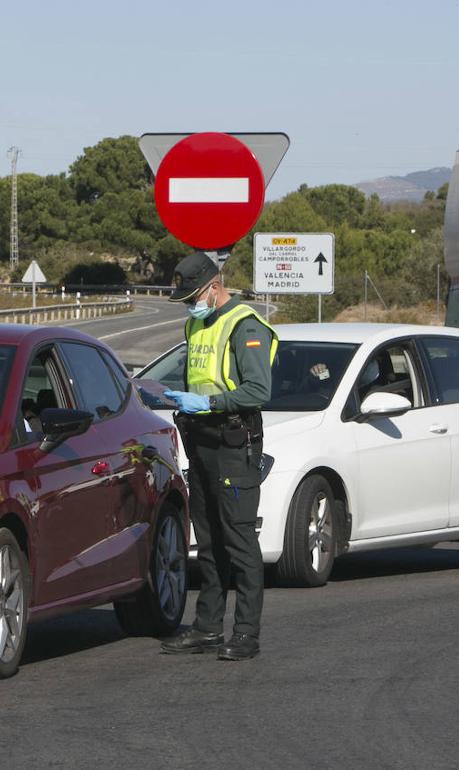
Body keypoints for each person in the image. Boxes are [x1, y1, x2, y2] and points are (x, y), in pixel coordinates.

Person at [160, 252, 275, 661]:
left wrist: (207, 403)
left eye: (194, 295)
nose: (190, 303)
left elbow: (259, 391)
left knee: (239, 539)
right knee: (208, 542)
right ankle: (208, 627)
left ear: (214, 286)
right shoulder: (195, 323)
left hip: (233, 444)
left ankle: (246, 633)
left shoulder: (244, 325)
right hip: (202, 442)